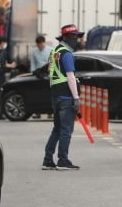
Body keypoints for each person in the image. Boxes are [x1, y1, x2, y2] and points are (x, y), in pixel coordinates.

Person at [42, 24, 83, 170]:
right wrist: (76, 97)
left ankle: (48, 159)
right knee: (66, 130)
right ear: (66, 38)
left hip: (55, 95)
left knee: (57, 129)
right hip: (66, 97)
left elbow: (50, 72)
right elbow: (70, 76)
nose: (77, 40)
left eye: (77, 37)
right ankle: (62, 160)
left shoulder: (55, 52)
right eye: (75, 37)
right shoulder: (67, 54)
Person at [0, 36, 16, 120]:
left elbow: (11, 61)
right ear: (2, 42)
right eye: (4, 42)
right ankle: (0, 112)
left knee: (0, 94)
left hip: (2, 76)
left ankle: (0, 113)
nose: (4, 44)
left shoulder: (4, 52)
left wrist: (13, 63)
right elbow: (0, 64)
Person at [31, 35, 53, 119]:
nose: (40, 46)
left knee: (49, 93)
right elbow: (33, 64)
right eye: (38, 45)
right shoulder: (34, 51)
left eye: (41, 44)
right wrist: (33, 72)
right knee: (37, 93)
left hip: (47, 74)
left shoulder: (50, 50)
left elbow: (51, 63)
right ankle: (37, 112)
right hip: (38, 74)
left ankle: (50, 112)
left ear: (44, 42)